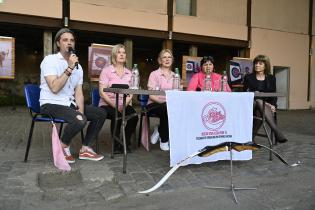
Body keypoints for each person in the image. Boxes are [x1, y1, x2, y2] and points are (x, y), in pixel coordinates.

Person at [40, 28, 106, 163]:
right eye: (65, 40)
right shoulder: (50, 60)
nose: (69, 43)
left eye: (72, 40)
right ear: (58, 44)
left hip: (68, 104)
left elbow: (79, 92)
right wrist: (69, 68)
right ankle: (62, 146)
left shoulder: (78, 67)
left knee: (100, 113)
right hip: (50, 103)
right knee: (79, 119)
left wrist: (81, 111)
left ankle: (85, 149)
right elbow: (54, 88)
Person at [99, 44, 139, 153]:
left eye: (124, 52)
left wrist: (124, 104)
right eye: (119, 52)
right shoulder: (106, 71)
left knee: (134, 116)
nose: (122, 54)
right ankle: (116, 145)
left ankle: (124, 143)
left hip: (123, 103)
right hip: (107, 104)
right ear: (114, 55)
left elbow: (132, 92)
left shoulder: (130, 73)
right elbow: (102, 92)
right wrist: (115, 106)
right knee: (116, 115)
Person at [243, 54, 288, 143]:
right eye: (256, 63)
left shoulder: (271, 78)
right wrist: (266, 103)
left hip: (264, 108)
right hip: (251, 105)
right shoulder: (248, 77)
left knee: (260, 112)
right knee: (259, 101)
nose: (257, 65)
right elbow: (246, 94)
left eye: (260, 63)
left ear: (265, 66)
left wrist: (273, 105)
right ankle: (276, 130)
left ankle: (251, 137)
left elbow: (273, 94)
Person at [147, 49, 175, 151]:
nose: (167, 59)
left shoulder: (175, 76)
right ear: (160, 60)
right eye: (164, 57)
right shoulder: (154, 74)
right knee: (166, 108)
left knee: (171, 109)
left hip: (170, 105)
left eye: (169, 57)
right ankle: (164, 140)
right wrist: (166, 103)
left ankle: (159, 129)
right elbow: (151, 95)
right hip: (154, 104)